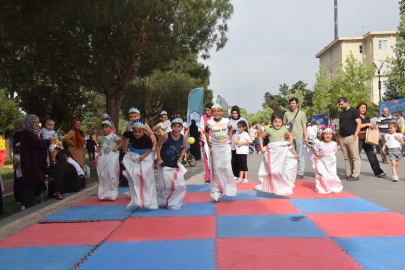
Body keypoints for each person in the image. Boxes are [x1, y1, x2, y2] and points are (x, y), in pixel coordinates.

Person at [20, 115, 64, 208]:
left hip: (41, 162)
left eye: (37, 122)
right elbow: (40, 144)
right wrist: (49, 141)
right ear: (29, 123)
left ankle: (55, 192)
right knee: (30, 184)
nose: (37, 124)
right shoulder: (27, 133)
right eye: (35, 122)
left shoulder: (35, 133)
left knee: (57, 170)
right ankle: (29, 207)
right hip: (31, 164)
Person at [256, 111, 298, 196]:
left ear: (282, 122)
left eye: (279, 122)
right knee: (273, 171)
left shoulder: (284, 130)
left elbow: (290, 135)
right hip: (273, 153)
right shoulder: (270, 130)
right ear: (272, 122)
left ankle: (281, 185)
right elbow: (260, 136)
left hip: (282, 153)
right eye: (275, 122)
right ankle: (272, 185)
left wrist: (290, 142)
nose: (277, 124)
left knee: (281, 170)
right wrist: (261, 147)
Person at [122, 120, 157, 210]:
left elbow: (150, 148)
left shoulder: (147, 139)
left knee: (145, 177)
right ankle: (137, 199)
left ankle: (148, 199)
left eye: (139, 132)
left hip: (145, 156)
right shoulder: (129, 134)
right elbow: (124, 135)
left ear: (144, 131)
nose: (137, 134)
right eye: (135, 132)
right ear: (132, 130)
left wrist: (144, 156)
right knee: (134, 177)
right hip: (133, 156)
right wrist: (125, 146)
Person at [206, 103, 237, 201]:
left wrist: (230, 138)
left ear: (222, 112)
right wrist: (208, 141)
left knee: (226, 167)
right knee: (216, 168)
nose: (216, 113)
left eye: (218, 111)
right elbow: (206, 131)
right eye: (214, 111)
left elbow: (231, 128)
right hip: (215, 148)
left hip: (225, 147)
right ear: (212, 113)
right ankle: (216, 190)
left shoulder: (226, 120)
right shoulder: (210, 122)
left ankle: (229, 189)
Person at [156, 118, 188, 209]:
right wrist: (159, 159)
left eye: (179, 127)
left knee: (181, 185)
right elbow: (157, 146)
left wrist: (181, 157)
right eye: (174, 126)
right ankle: (163, 201)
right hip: (165, 165)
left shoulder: (182, 138)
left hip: (175, 165)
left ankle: (173, 203)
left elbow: (184, 148)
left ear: (182, 128)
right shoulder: (166, 136)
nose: (176, 129)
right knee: (166, 187)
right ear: (171, 127)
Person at [95, 119, 122, 200]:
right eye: (103, 127)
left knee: (112, 173)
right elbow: (100, 146)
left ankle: (113, 192)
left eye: (106, 127)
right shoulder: (101, 138)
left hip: (112, 156)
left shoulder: (114, 136)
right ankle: (104, 193)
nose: (104, 129)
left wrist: (116, 147)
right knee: (103, 174)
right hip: (103, 157)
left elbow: (122, 141)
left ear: (110, 128)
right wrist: (96, 154)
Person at [356, 102, 386, 178]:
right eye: (361, 107)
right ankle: (354, 172)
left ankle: (378, 172)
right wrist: (367, 124)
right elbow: (357, 126)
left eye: (364, 108)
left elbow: (368, 127)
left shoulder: (367, 117)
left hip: (367, 138)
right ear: (358, 108)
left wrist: (371, 127)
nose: (363, 109)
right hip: (359, 138)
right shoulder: (356, 117)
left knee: (372, 154)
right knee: (356, 156)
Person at [337, 97, 362, 181]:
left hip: (351, 137)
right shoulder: (342, 114)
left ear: (346, 102)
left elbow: (359, 123)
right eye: (339, 104)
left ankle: (355, 175)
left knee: (355, 157)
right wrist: (338, 137)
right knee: (346, 157)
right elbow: (340, 126)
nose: (340, 106)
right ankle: (348, 174)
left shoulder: (353, 111)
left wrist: (355, 135)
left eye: (342, 104)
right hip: (343, 138)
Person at [312, 126, 343, 193]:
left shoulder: (334, 143)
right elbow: (313, 149)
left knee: (331, 175)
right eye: (326, 134)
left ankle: (331, 186)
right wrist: (318, 153)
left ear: (332, 135)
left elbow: (334, 150)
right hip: (322, 162)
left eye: (330, 134)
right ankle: (322, 187)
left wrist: (335, 152)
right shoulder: (319, 144)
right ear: (323, 135)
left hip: (331, 163)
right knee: (323, 175)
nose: (328, 136)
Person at [283, 97, 308, 179]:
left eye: (293, 103)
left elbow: (304, 125)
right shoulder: (286, 114)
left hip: (299, 137)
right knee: (290, 156)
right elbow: (284, 125)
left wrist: (306, 136)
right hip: (289, 138)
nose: (292, 105)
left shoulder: (302, 114)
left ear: (297, 104)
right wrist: (284, 135)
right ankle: (291, 171)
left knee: (300, 155)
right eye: (290, 103)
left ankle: (300, 172)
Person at [229, 105, 249, 179]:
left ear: (238, 113)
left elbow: (247, 131)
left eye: (236, 113)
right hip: (233, 144)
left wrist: (248, 142)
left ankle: (243, 176)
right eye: (233, 113)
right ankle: (235, 174)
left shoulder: (243, 120)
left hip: (241, 145)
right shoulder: (229, 120)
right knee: (233, 161)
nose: (234, 115)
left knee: (241, 161)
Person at [198, 103, 213, 184]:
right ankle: (207, 178)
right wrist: (202, 134)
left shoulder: (215, 118)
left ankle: (214, 177)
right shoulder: (203, 117)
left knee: (214, 161)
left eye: (209, 110)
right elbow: (200, 128)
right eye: (206, 110)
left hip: (214, 142)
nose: (207, 112)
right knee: (206, 160)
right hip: (205, 143)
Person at [12, 118, 24, 204]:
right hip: (19, 156)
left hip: (20, 155)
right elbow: (18, 146)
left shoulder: (17, 134)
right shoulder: (18, 134)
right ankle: (19, 198)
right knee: (19, 177)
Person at [13, 143, 25, 210]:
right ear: (18, 149)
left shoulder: (25, 155)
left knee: (27, 189)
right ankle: (22, 203)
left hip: (26, 174)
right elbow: (14, 167)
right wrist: (18, 162)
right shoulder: (15, 156)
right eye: (19, 147)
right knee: (21, 189)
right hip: (20, 174)